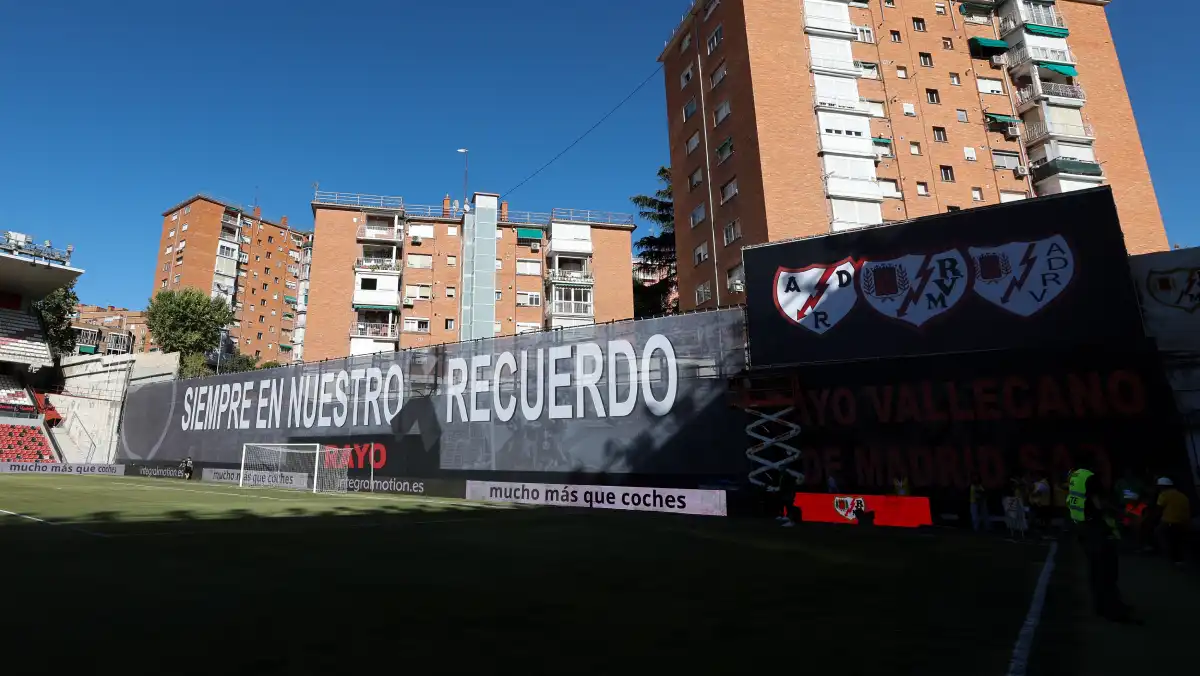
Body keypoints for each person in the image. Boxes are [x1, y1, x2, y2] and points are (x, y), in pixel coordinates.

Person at [1068, 467, 1131, 622]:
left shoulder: (1076, 480)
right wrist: (1120, 513)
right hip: (1097, 531)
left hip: (1085, 530)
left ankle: (1102, 606)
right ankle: (1111, 608)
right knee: (1106, 571)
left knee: (1096, 571)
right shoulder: (1091, 481)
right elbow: (1101, 505)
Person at [1154, 477, 1191, 564]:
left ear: (1162, 487)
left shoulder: (1164, 495)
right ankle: (1179, 558)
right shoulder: (1182, 495)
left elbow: (1158, 509)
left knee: (1158, 533)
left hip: (1170, 522)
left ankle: (1168, 555)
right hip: (1184, 522)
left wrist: (1154, 519)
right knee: (1178, 540)